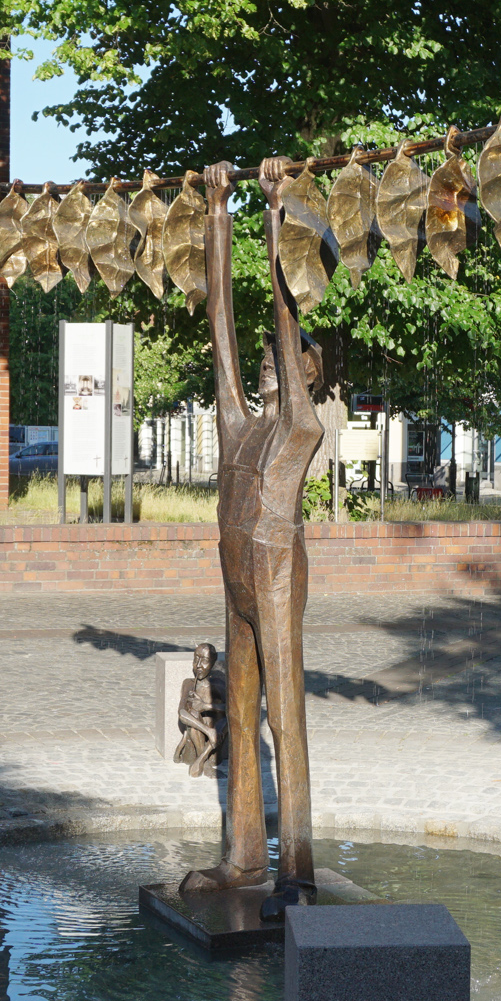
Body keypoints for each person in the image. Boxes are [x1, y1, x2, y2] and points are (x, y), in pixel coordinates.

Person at [178, 157, 326, 918]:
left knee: (284, 714)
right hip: (236, 575)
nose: (271, 361)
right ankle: (243, 858)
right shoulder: (240, 425)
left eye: (288, 359)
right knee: (239, 715)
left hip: (273, 577)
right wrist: (217, 212)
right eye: (272, 361)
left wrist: (275, 218)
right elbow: (220, 326)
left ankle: (295, 869)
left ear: (307, 372)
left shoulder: (298, 430)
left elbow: (275, 316)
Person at [172, 643, 227, 779]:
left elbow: (232, 710)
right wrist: (208, 730)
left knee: (224, 720)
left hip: (218, 729)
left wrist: (206, 706)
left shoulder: (218, 684)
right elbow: (182, 713)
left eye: (205, 661)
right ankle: (205, 761)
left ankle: (202, 759)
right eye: (196, 659)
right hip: (201, 730)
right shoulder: (189, 683)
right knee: (193, 714)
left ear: (213, 663)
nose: (198, 665)